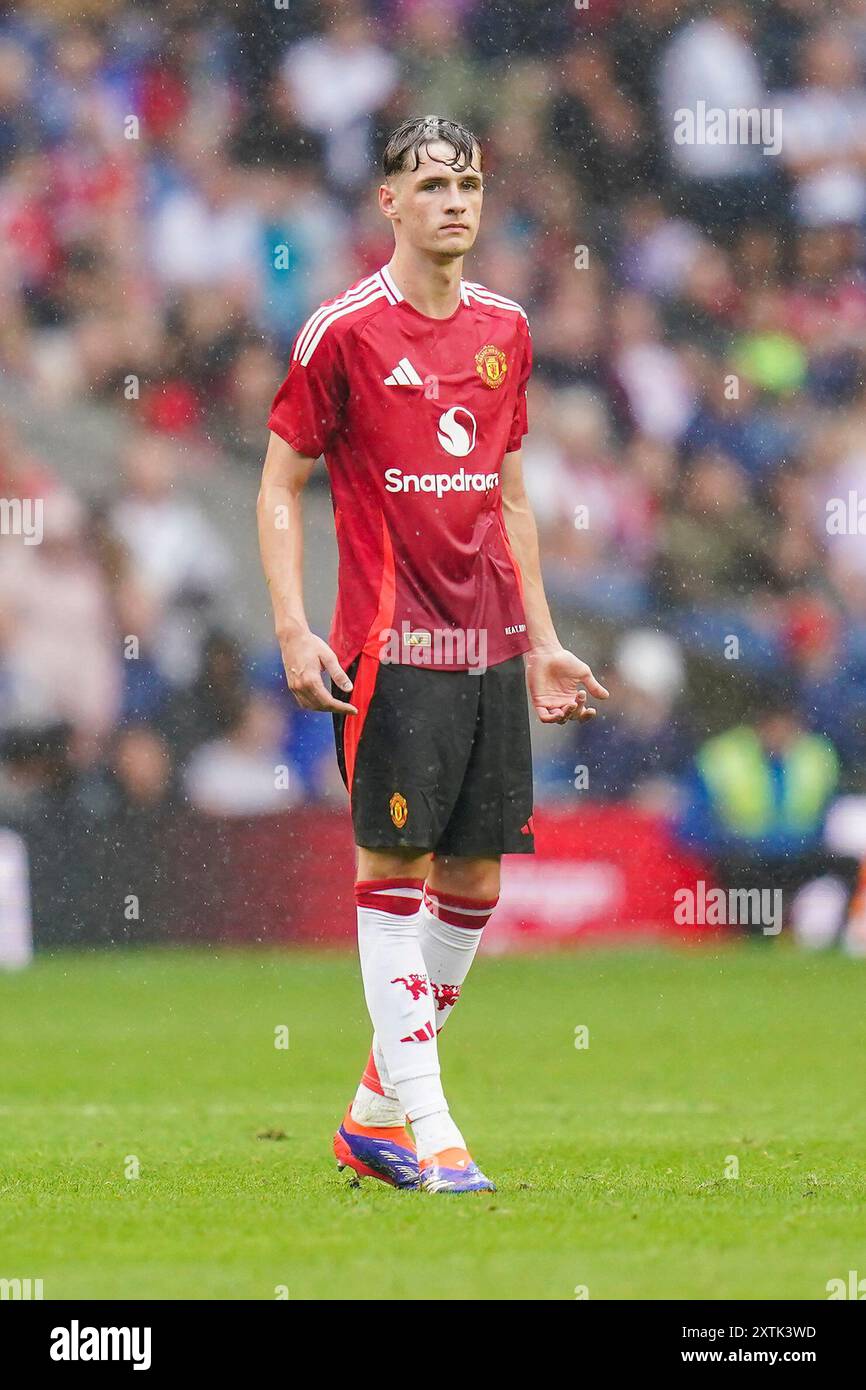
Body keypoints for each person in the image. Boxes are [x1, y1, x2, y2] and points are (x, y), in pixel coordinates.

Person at [257, 115, 608, 1194]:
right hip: (390, 644)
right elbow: (278, 485)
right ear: (388, 205)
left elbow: (506, 495)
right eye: (431, 183)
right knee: (393, 877)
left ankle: (372, 1115)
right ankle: (433, 1127)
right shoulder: (342, 333)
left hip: (490, 646)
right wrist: (291, 626)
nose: (454, 200)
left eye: (468, 182)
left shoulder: (505, 327)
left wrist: (543, 640)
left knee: (472, 884)